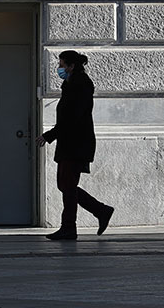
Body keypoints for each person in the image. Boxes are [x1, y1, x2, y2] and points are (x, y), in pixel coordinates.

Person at [37, 50, 114, 241]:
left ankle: (70, 226)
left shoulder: (80, 85)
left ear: (71, 66)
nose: (59, 68)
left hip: (76, 143)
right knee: (66, 185)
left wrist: (49, 135)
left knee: (67, 185)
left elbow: (72, 118)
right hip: (70, 143)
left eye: (61, 65)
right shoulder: (71, 84)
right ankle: (100, 211)